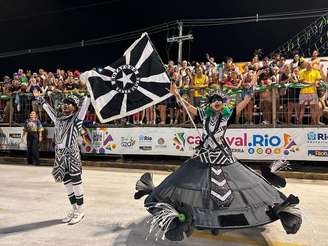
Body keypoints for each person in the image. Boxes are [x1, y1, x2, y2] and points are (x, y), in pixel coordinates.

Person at [134, 83, 302, 241]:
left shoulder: (226, 118)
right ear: (209, 104)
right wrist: (176, 94)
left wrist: (251, 90)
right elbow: (188, 107)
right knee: (202, 189)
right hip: (204, 156)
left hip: (223, 157)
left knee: (227, 188)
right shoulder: (202, 115)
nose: (217, 103)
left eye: (220, 101)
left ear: (223, 105)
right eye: (214, 100)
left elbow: (243, 103)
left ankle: (223, 219)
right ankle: (208, 220)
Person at [34, 91, 90, 225]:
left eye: (69, 104)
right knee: (67, 183)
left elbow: (85, 104)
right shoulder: (57, 118)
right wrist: (40, 98)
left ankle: (80, 210)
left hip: (72, 154)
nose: (65, 106)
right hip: (59, 155)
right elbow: (47, 108)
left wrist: (89, 93)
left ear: (75, 108)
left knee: (76, 181)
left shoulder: (76, 119)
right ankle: (74, 208)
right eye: (64, 103)